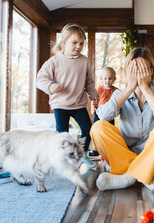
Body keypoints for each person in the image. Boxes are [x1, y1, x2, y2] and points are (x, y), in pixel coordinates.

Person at [90, 47, 154, 191]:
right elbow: (102, 116)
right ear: (128, 71)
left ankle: (128, 177)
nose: (138, 73)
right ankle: (146, 176)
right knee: (97, 127)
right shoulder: (119, 94)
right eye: (134, 69)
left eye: (142, 69)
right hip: (124, 159)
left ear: (151, 71)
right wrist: (129, 89)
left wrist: (145, 89)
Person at [36, 23, 99, 168]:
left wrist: (93, 95)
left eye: (81, 43)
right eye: (74, 42)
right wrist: (52, 86)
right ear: (64, 43)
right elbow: (40, 79)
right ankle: (62, 160)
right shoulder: (54, 61)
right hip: (60, 104)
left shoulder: (85, 61)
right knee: (62, 135)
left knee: (88, 130)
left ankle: (82, 155)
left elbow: (89, 82)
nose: (78, 46)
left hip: (78, 104)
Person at [89, 67, 119, 157]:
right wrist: (92, 108)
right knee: (96, 131)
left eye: (110, 79)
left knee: (109, 131)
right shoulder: (99, 89)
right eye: (105, 79)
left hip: (110, 115)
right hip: (99, 113)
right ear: (102, 79)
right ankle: (96, 148)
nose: (107, 81)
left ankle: (107, 148)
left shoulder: (115, 90)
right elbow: (93, 100)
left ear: (114, 79)